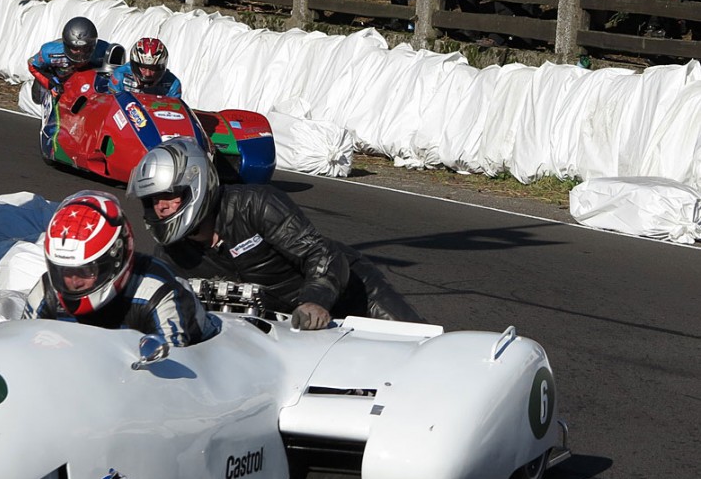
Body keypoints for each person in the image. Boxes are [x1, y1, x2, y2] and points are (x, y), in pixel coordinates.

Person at [126, 138, 425, 331]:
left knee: (420, 346)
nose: (161, 207)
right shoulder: (170, 253)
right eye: (151, 200)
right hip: (284, 328)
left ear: (197, 186)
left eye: (170, 196)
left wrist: (314, 300)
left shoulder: (255, 204)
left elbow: (321, 254)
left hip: (350, 293)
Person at [23, 190, 217, 347]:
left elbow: (175, 378)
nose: (74, 281)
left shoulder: (158, 293)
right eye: (63, 271)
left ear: (116, 259)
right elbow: (22, 350)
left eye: (85, 270)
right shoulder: (46, 291)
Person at [28, 16, 109, 104]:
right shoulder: (49, 52)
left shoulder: (105, 50)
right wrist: (52, 83)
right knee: (37, 97)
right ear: (67, 45)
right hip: (55, 76)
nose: (79, 53)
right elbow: (32, 64)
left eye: (85, 48)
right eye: (75, 48)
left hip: (82, 77)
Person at [107, 37, 182, 97]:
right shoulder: (120, 75)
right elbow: (111, 105)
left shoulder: (172, 83)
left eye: (153, 69)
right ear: (134, 65)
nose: (147, 74)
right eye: (143, 68)